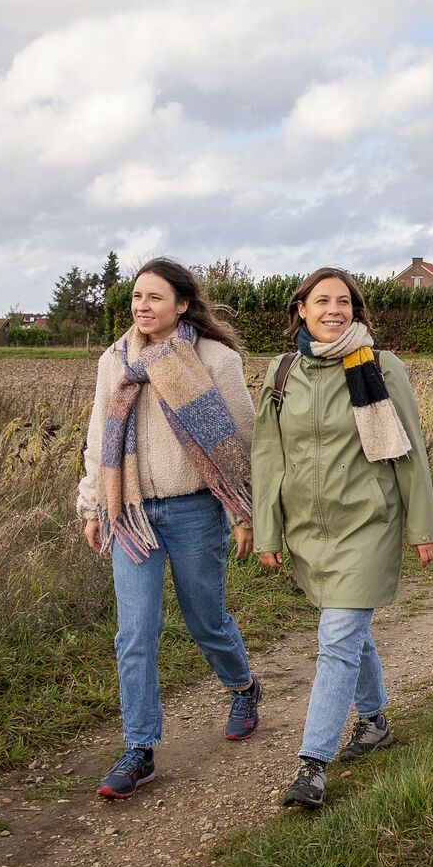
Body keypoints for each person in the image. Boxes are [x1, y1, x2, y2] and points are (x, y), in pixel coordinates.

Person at [252, 267, 433, 810]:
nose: (334, 310)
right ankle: (375, 721)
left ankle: (311, 765)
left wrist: (421, 526)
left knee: (335, 639)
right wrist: (269, 528)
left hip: (367, 523)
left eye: (344, 302)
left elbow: (408, 452)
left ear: (356, 311)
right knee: (348, 629)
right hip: (311, 529)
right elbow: (267, 455)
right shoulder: (283, 373)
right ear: (302, 309)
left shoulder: (379, 367)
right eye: (322, 301)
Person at [75, 258, 263, 800]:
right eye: (136, 297)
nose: (141, 307)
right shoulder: (115, 360)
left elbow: (239, 442)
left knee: (206, 620)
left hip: (194, 510)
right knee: (135, 633)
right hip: (130, 511)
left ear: (181, 304)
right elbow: (97, 438)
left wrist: (242, 511)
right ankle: (139, 749)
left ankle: (244, 688)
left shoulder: (215, 359)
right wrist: (93, 506)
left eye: (154, 297)